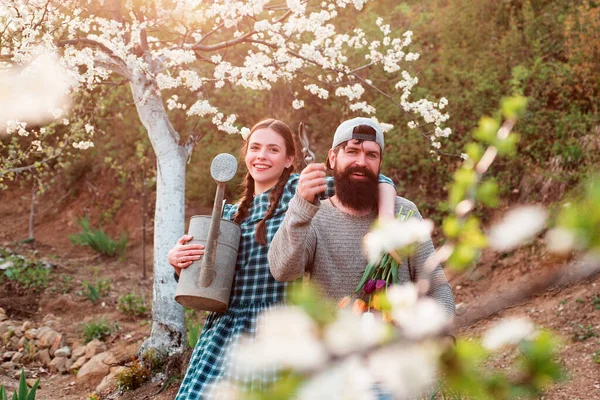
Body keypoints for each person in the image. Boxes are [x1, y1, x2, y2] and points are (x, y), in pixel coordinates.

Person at [170, 118, 398, 398]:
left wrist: (387, 221)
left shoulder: (300, 191)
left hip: (278, 326)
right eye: (255, 148)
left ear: (290, 159)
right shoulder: (230, 213)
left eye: (273, 150)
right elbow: (209, 285)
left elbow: (376, 179)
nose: (262, 156)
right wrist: (180, 263)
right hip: (226, 329)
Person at [268, 117, 455, 317]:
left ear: (380, 162)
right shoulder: (314, 216)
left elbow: (436, 285)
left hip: (398, 343)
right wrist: (300, 205)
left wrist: (445, 335)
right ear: (332, 158)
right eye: (352, 152)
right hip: (338, 343)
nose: (361, 162)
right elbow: (282, 270)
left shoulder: (404, 213)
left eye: (371, 155)